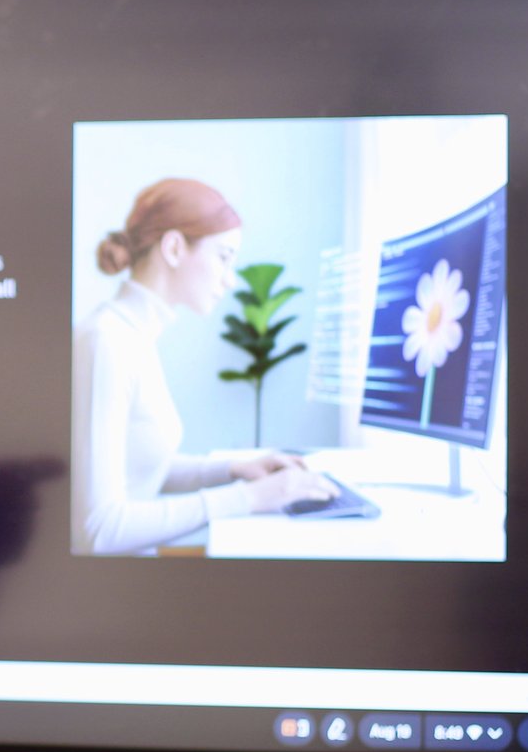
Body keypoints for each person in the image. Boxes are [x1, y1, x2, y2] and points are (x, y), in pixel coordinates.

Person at [71, 177, 333, 555]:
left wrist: (233, 471)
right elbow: (97, 530)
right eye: (224, 257)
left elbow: (139, 466)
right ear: (174, 248)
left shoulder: (132, 337)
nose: (229, 280)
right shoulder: (107, 342)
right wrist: (248, 498)